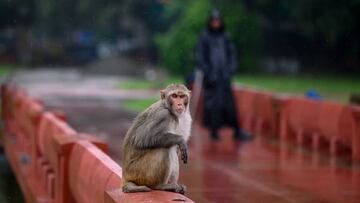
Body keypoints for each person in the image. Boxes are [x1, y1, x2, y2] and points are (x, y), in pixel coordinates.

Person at [196, 9, 252, 141]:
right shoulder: (205, 37)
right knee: (213, 106)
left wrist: (230, 69)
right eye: (214, 21)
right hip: (212, 79)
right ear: (210, 22)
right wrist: (208, 73)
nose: (216, 24)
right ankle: (214, 131)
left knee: (230, 106)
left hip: (224, 77)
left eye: (218, 21)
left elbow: (232, 54)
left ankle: (237, 131)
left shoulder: (225, 36)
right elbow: (201, 57)